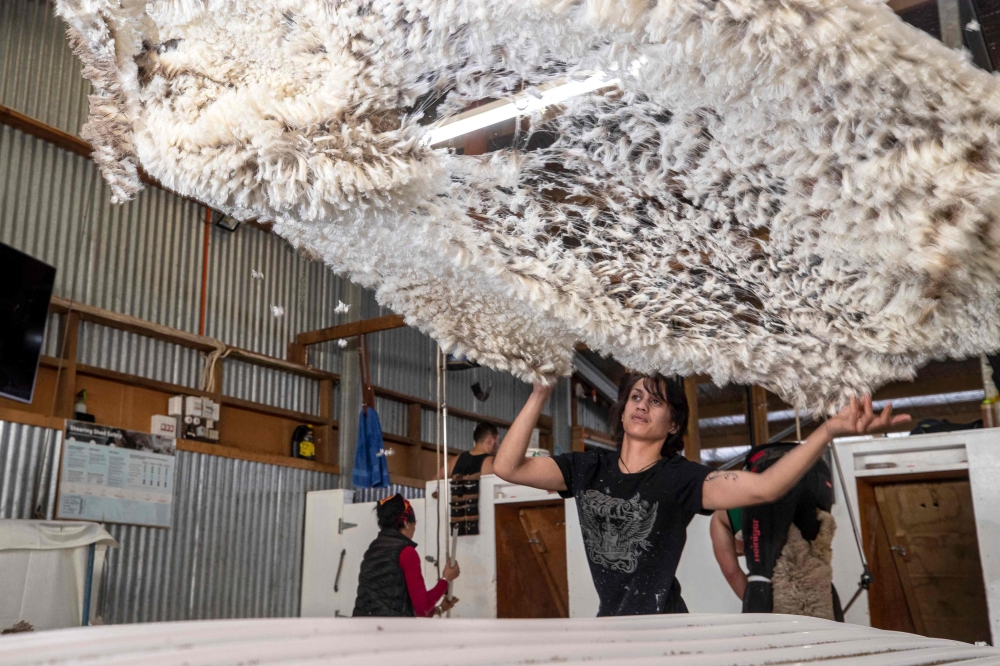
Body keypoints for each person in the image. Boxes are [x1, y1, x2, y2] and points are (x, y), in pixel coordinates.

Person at [494, 373, 909, 616]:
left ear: (673, 423)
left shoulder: (681, 479)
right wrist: (540, 393)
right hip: (611, 621)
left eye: (655, 402)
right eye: (635, 397)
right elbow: (507, 466)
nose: (641, 406)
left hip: (667, 623)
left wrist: (828, 431)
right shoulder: (586, 468)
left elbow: (765, 487)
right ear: (621, 410)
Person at [710, 444, 843, 619]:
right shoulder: (730, 511)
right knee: (817, 567)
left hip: (769, 470)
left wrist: (759, 603)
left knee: (761, 576)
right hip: (816, 471)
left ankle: (766, 635)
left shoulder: (723, 514)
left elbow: (732, 571)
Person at [353, 494, 461, 617]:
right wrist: (446, 579)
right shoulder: (406, 553)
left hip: (361, 628)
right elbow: (422, 607)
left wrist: (440, 608)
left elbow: (394, 602)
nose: (415, 527)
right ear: (406, 523)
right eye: (414, 522)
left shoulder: (373, 549)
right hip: (388, 631)